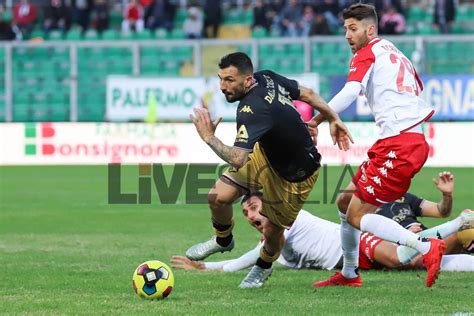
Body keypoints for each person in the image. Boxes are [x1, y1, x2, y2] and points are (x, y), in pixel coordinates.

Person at [186, 52, 353, 288]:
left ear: (246, 80)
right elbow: (308, 94)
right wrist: (331, 117)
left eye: (229, 80)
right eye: (221, 79)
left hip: (294, 177)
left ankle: (263, 268)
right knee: (217, 197)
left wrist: (209, 137)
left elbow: (237, 158)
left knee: (273, 233)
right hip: (265, 155)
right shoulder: (266, 77)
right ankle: (223, 240)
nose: (223, 87)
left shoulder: (251, 110)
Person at [308, 3, 442, 288]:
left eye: (353, 28)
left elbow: (350, 91)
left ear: (370, 29)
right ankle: (349, 272)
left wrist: (317, 119)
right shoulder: (393, 50)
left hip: (400, 142)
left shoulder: (366, 53)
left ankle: (426, 247)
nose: (347, 35)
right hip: (406, 139)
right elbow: (414, 88)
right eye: (345, 28)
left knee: (358, 215)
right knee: (345, 202)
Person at [172, 190, 474, 274]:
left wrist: (208, 267)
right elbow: (266, 257)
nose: (251, 215)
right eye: (246, 212)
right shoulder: (276, 242)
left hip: (356, 244)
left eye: (253, 207)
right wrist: (208, 266)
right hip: (351, 260)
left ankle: (459, 224)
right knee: (414, 262)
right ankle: (463, 240)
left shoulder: (285, 219)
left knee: (404, 260)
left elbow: (254, 257)